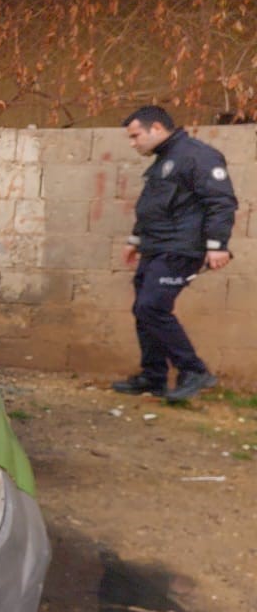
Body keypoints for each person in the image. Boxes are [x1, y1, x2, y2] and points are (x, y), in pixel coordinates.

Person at [111, 106, 238, 402]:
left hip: (181, 248)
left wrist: (217, 245)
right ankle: (153, 377)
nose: (133, 143)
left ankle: (193, 370)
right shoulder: (164, 159)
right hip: (155, 247)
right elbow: (151, 206)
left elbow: (221, 202)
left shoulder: (198, 155)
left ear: (156, 128)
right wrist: (135, 239)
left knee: (152, 307)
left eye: (135, 136)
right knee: (143, 309)